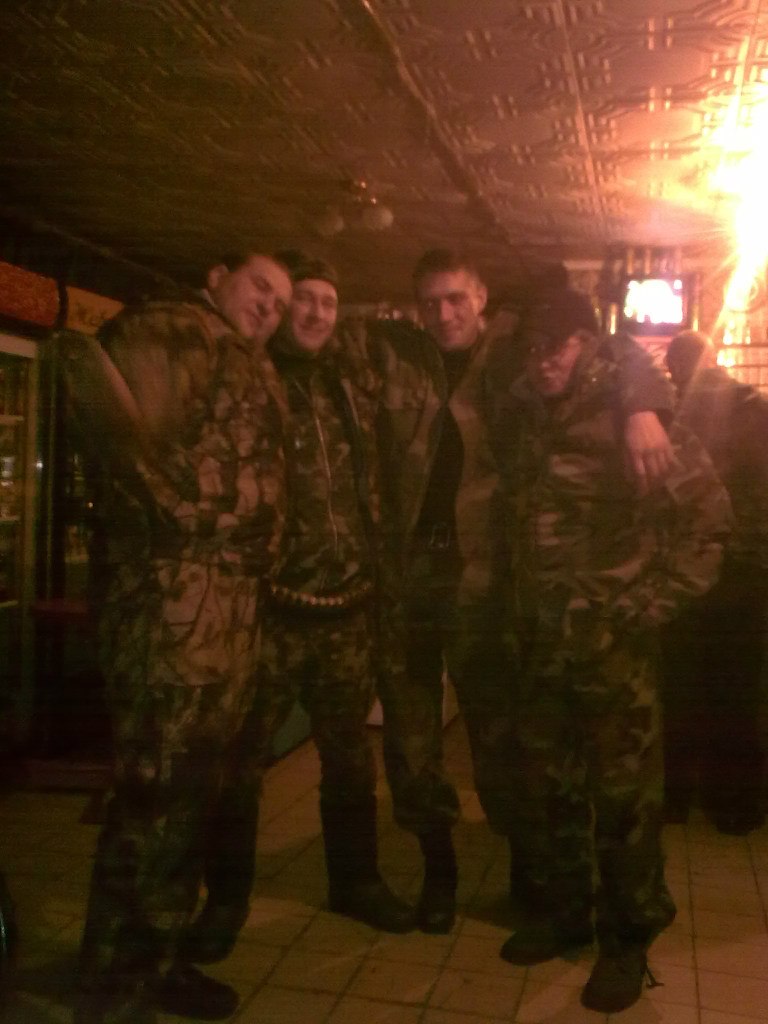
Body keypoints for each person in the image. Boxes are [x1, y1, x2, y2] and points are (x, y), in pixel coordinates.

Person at [366, 249, 680, 934]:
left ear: (481, 296)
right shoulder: (397, 357)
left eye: (455, 298)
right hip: (411, 582)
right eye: (430, 302)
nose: (443, 313)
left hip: (488, 584)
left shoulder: (514, 355)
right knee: (412, 745)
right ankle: (440, 873)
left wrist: (643, 404)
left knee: (502, 742)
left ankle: (530, 873)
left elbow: (610, 349)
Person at [58, 250, 292, 1024]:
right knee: (154, 799)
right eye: (261, 287)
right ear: (217, 275)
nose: (271, 306)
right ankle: (115, 987)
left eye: (282, 301)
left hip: (220, 621)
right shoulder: (172, 331)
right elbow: (129, 466)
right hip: (173, 617)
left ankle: (147, 961)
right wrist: (224, 524)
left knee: (185, 803)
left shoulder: (243, 360)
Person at [492, 292, 731, 1012]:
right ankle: (568, 914)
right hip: (541, 645)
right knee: (553, 793)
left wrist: (642, 608)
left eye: (556, 346)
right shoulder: (527, 416)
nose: (542, 362)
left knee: (625, 804)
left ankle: (627, 939)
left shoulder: (635, 419)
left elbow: (709, 523)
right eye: (532, 349)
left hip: (612, 653)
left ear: (587, 343)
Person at [181, 253, 413, 970]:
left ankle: (356, 882)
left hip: (348, 607)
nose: (313, 313)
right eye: (299, 300)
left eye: (326, 302)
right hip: (270, 611)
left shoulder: (353, 379)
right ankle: (225, 902)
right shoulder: (248, 375)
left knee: (350, 760)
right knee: (239, 765)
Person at [662, 329, 768, 832]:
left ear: (675, 367)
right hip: (746, 571)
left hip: (684, 572)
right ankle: (735, 807)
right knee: (738, 691)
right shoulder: (756, 408)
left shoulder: (670, 417)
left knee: (679, 687)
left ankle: (675, 797)